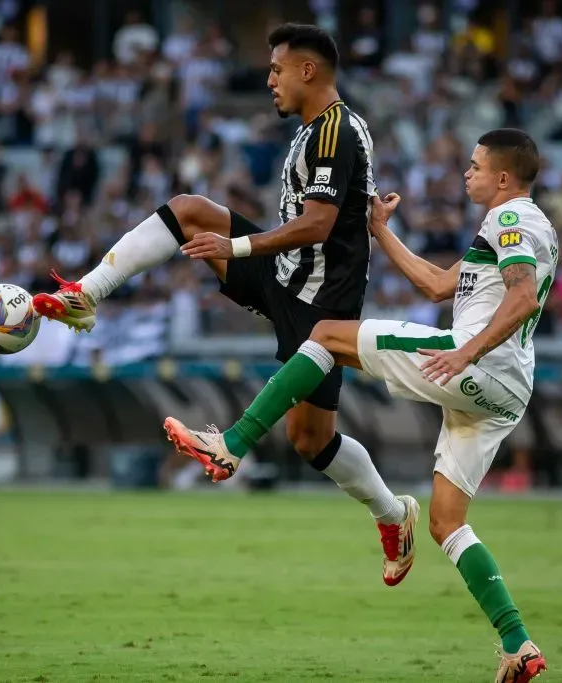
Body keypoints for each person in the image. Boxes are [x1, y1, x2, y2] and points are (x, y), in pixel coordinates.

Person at [33, 23, 418, 585]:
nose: (270, 80)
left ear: (308, 70)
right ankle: (85, 295)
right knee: (189, 209)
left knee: (311, 439)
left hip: (320, 306)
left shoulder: (336, 131)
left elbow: (318, 225)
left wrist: (233, 247)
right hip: (284, 276)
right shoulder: (316, 128)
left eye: (277, 70)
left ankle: (393, 514)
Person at [166, 129, 553, 682]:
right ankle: (518, 644)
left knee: (325, 333)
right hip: (507, 390)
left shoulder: (510, 218)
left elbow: (522, 295)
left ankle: (233, 443)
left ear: (504, 177)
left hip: (476, 361)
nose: (467, 173)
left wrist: (465, 352)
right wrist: (381, 231)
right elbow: (437, 285)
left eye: (475, 166)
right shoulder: (522, 227)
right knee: (447, 523)